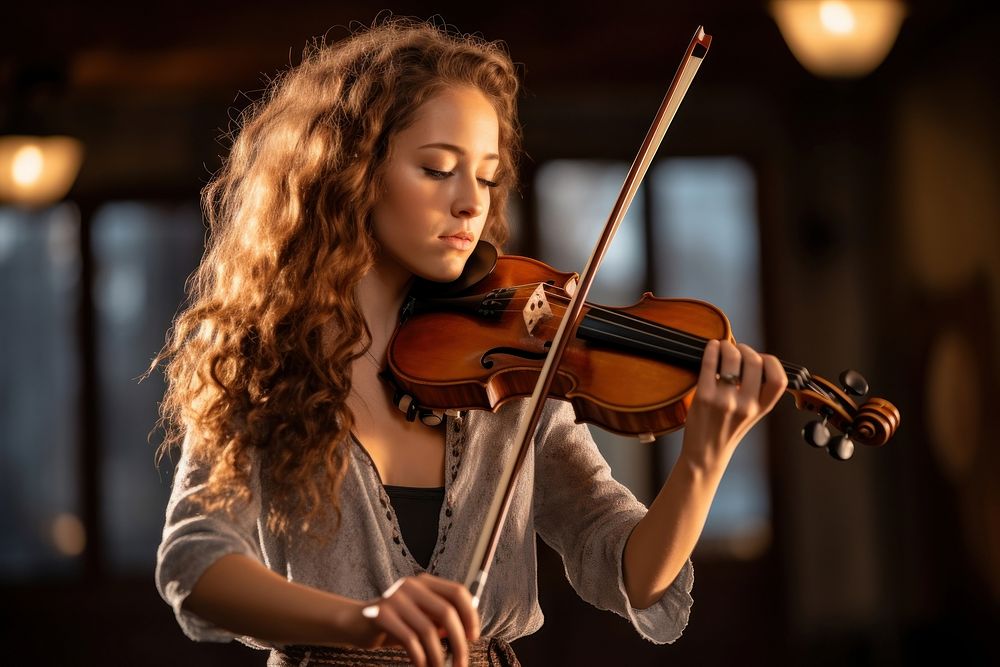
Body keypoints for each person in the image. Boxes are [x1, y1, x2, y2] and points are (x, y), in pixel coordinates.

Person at [152, 17, 787, 667]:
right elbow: (197, 559)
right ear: (349, 172)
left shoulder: (516, 368)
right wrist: (364, 620)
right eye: (436, 169)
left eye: (485, 178)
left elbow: (624, 563)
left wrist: (704, 458)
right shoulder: (264, 358)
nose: (470, 203)